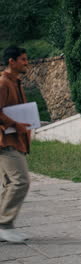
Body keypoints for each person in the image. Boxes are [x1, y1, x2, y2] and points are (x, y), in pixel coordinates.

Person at [0, 46, 32, 243]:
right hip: (5, 141)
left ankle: (5, 226)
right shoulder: (3, 83)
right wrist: (15, 124)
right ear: (12, 62)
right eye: (23, 59)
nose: (26, 62)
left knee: (9, 184)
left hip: (13, 139)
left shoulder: (15, 83)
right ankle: (4, 224)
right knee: (21, 181)